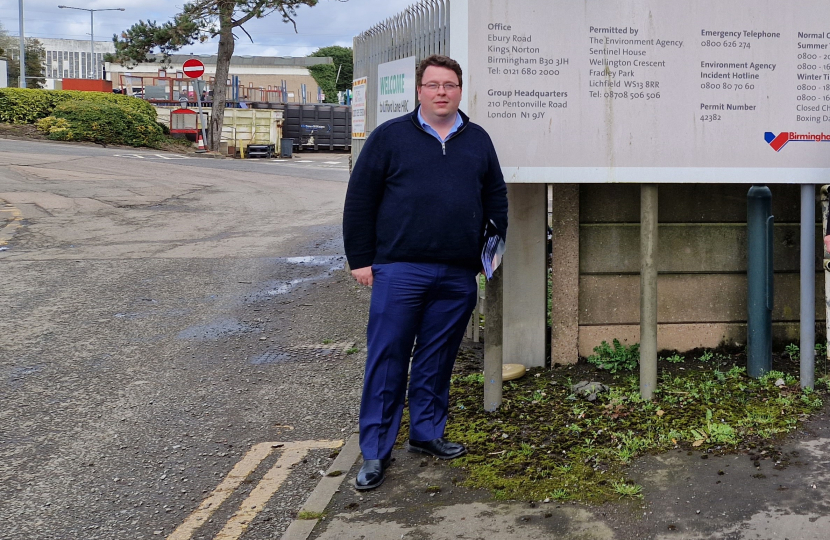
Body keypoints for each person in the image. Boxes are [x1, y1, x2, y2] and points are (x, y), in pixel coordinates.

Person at [342, 54, 508, 490]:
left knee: (437, 360)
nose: (441, 92)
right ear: (419, 91)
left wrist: (485, 260)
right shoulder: (390, 137)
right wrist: (360, 260)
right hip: (400, 270)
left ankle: (427, 433)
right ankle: (376, 451)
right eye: (433, 85)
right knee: (388, 359)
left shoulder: (477, 140)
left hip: (456, 274)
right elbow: (360, 200)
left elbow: (496, 201)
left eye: (449, 85)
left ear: (459, 90)